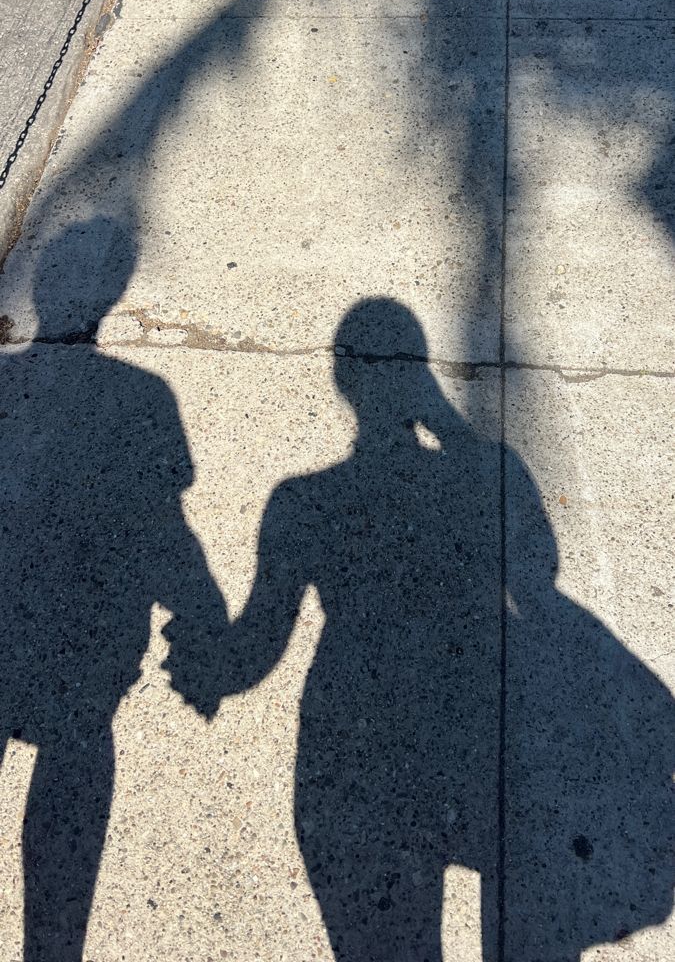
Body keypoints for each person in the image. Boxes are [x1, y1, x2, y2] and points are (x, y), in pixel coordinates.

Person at [182, 297, 673, 961]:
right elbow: (536, 577)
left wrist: (200, 663)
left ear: (340, 384)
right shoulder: (488, 470)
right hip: (473, 730)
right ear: (422, 377)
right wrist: (444, 421)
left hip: (353, 745)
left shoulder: (300, 504)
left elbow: (253, 653)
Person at [0, 218, 227, 962]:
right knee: (75, 749)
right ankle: (51, 950)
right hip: (92, 645)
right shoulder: (141, 395)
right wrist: (201, 612)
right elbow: (164, 522)